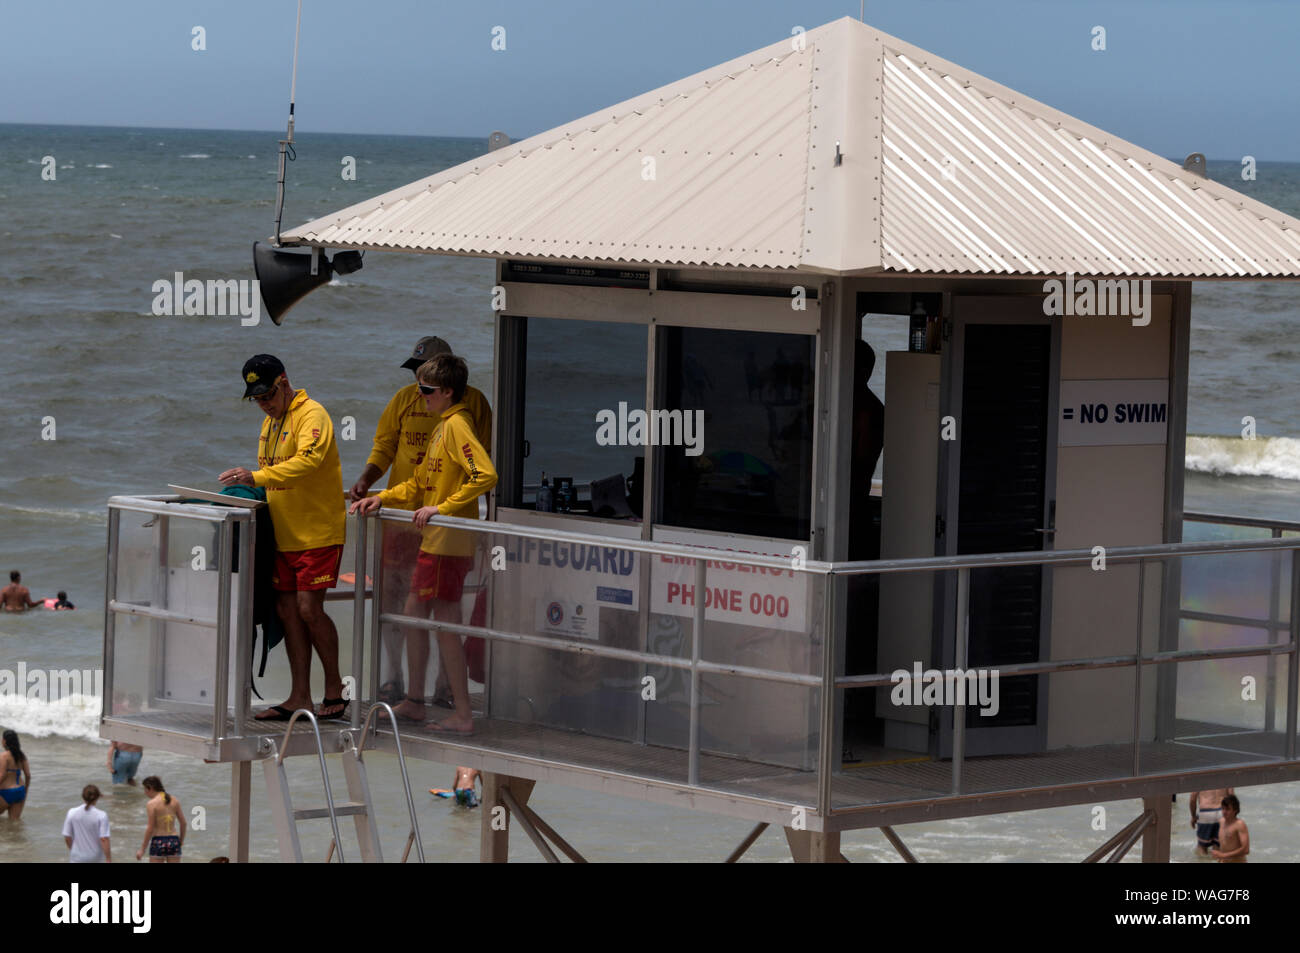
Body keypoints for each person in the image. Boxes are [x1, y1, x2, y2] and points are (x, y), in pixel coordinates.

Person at [350, 354, 497, 734]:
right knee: (425, 618)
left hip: (447, 541)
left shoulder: (458, 426)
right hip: (438, 540)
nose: (421, 397)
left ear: (448, 392)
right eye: (419, 390)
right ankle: (418, 700)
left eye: (428, 391)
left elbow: (485, 474)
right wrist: (383, 497)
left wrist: (442, 509)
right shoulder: (442, 426)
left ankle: (455, 711)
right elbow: (417, 483)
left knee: (432, 620)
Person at [220, 355, 348, 721]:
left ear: (285, 382)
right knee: (287, 610)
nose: (265, 404)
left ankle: (335, 688)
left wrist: (255, 478)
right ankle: (299, 697)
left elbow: (308, 462)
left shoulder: (313, 415)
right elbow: (270, 472)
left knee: (310, 608)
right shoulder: (269, 423)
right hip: (285, 532)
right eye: (257, 399)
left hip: (318, 530)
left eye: (269, 396)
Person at [137, 776, 185, 862]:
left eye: (145, 789)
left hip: (159, 841)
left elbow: (150, 828)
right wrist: (181, 841)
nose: (145, 793)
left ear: (150, 788)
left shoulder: (151, 804)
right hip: (174, 840)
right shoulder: (175, 800)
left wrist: (142, 849)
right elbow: (183, 823)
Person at [63, 785, 110, 862]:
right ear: (97, 797)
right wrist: (108, 859)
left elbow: (67, 836)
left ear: (83, 797)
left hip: (77, 856)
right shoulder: (102, 815)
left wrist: (73, 850)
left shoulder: (72, 812)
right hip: (95, 857)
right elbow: (104, 839)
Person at [1190, 787, 1232, 855]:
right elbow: (1231, 796)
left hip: (1206, 812)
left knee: (1202, 847)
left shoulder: (1198, 776)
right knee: (1218, 847)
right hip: (1222, 812)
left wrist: (1193, 816)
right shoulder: (1227, 776)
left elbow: (1193, 798)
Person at [0, 730, 29, 819]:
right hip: (20, 792)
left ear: (4, 741)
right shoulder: (21, 756)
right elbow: (28, 775)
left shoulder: (3, 756)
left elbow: (2, 775)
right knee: (14, 822)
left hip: (5, 792)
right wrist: (26, 789)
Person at [1211, 794, 1249, 863]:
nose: (1224, 812)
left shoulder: (1239, 824)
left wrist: (1223, 855)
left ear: (1235, 810)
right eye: (1223, 808)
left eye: (1228, 809)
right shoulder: (1221, 821)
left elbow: (1246, 850)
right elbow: (1222, 844)